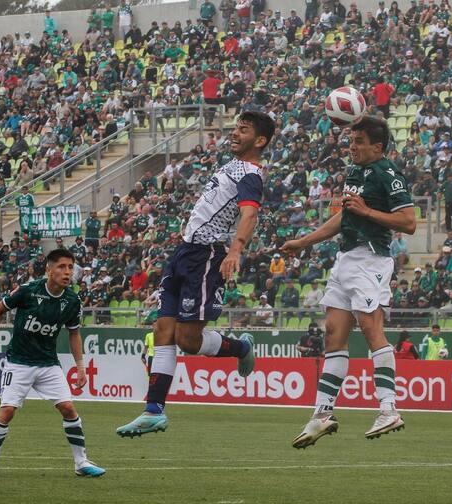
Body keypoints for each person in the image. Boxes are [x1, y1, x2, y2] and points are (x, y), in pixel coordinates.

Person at [116, 111, 275, 437]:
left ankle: (240, 349)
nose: (235, 134)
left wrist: (235, 250)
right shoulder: (233, 165)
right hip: (185, 251)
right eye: (235, 128)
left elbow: (249, 214)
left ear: (260, 141)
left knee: (187, 341)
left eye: (243, 131)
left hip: (207, 256)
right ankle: (153, 410)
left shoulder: (252, 174)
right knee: (163, 329)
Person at [281, 116, 416, 448]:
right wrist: (304, 241)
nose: (351, 146)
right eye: (350, 140)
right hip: (345, 258)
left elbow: (409, 222)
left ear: (377, 146)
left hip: (371, 257)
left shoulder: (389, 174)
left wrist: (368, 212)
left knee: (371, 329)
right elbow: (345, 216)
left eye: (358, 141)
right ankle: (322, 414)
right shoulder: (355, 173)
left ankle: (388, 408)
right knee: (333, 335)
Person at [0, 249, 105, 479]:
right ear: (49, 269)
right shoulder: (28, 291)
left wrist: (80, 366)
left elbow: (74, 333)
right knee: (7, 412)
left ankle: (81, 462)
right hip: (19, 363)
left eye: (70, 267)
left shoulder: (72, 300)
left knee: (68, 408)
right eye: (62, 267)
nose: (67, 272)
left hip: (48, 364)